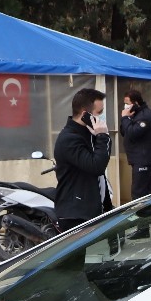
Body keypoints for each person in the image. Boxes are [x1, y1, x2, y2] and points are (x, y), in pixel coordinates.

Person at [53, 88, 112, 232]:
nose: (102, 118)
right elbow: (96, 165)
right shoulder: (69, 139)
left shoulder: (89, 133)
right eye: (99, 113)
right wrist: (102, 136)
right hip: (76, 213)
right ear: (85, 114)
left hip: (92, 209)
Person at [120, 89, 151, 201]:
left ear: (136, 103)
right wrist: (127, 118)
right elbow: (124, 132)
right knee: (148, 190)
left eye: (127, 103)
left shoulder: (145, 116)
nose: (125, 106)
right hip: (140, 158)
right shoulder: (135, 114)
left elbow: (132, 133)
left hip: (144, 160)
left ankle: (140, 215)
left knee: (139, 192)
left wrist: (124, 118)